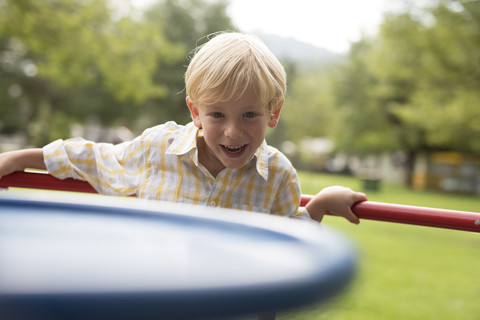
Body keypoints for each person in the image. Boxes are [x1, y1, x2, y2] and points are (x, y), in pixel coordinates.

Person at [0, 32, 366, 224]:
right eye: (217, 115)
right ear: (195, 112)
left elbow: (285, 240)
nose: (233, 132)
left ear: (274, 113)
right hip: (151, 299)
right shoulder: (159, 146)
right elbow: (95, 159)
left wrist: (318, 206)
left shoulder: (279, 176)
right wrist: (19, 158)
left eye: (250, 115)